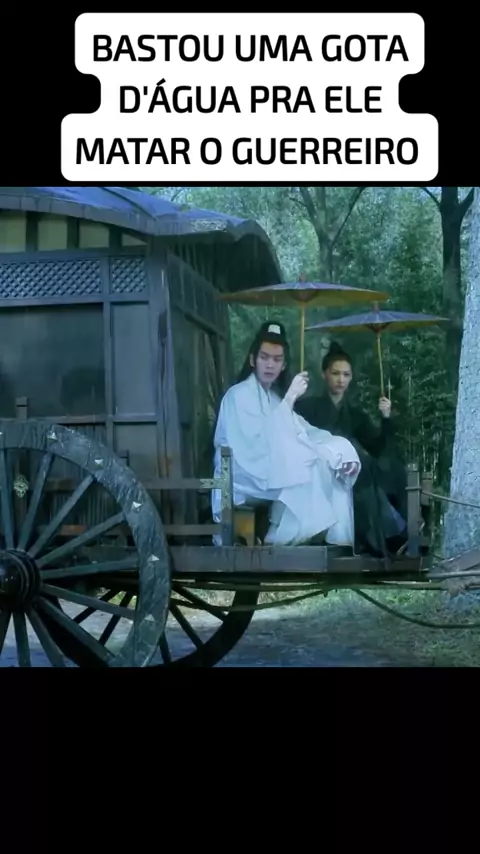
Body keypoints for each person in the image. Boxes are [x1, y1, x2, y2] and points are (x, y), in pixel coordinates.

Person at [211, 322, 361, 547]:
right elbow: (255, 448)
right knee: (305, 470)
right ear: (252, 360)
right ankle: (280, 538)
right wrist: (290, 398)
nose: (270, 364)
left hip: (265, 471)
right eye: (264, 357)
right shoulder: (238, 396)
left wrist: (340, 451)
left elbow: (306, 431)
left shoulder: (273, 399)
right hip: (241, 476)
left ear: (283, 365)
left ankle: (335, 543)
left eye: (277, 359)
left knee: (328, 465)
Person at [294, 341, 408, 557]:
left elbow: (377, 446)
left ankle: (390, 532)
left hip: (351, 476)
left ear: (351, 377)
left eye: (346, 374)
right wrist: (295, 398)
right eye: (335, 373)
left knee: (377, 469)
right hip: (318, 475)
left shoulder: (355, 415)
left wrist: (386, 418)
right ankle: (384, 535)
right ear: (324, 374)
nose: (341, 379)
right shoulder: (308, 407)